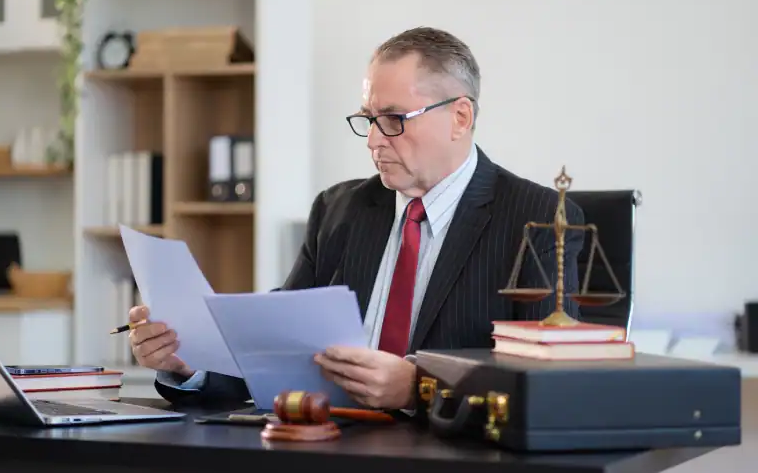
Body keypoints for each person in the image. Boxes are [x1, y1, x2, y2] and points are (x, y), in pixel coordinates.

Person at [127, 26, 584, 410]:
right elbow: (278, 352)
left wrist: (419, 389)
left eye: (394, 119)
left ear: (460, 117)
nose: (374, 141)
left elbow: (548, 385)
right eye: (368, 119)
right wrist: (189, 363)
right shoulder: (339, 209)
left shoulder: (538, 219)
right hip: (333, 442)